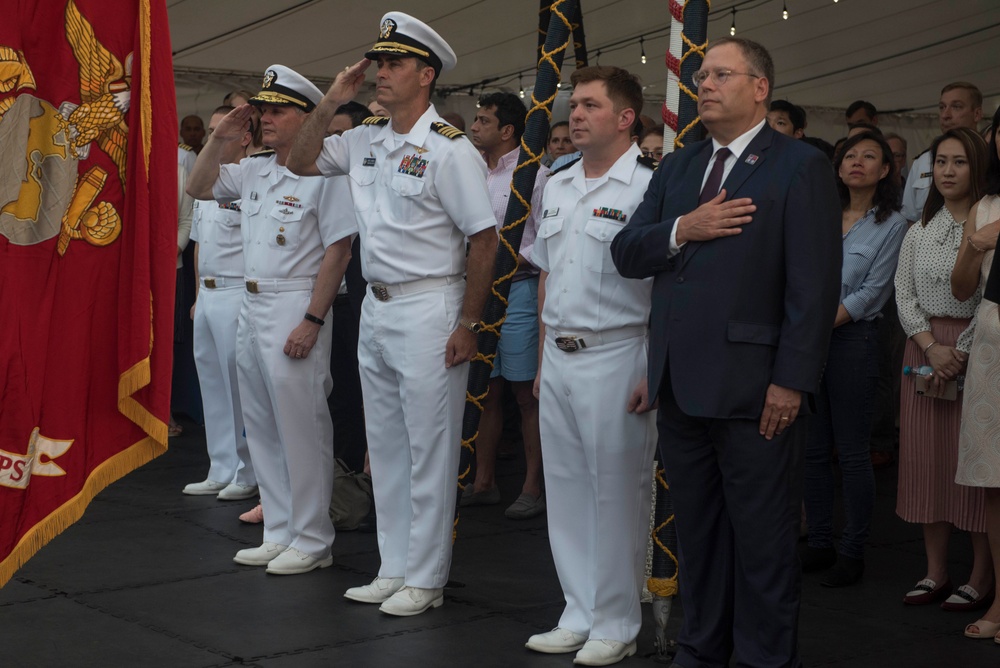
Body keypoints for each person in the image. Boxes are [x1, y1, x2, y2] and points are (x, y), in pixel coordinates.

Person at [610, 37, 841, 668]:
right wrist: (686, 228)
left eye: (720, 74)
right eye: (699, 75)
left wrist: (792, 381)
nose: (703, 84)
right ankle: (701, 650)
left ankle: (762, 658)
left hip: (756, 389)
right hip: (681, 385)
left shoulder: (799, 166)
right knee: (700, 537)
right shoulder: (681, 166)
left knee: (763, 545)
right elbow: (627, 251)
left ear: (760, 87)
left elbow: (813, 287)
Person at [286, 12, 497, 616]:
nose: (381, 73)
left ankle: (426, 578)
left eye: (394, 64)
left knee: (430, 448)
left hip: (432, 304)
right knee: (389, 445)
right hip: (377, 307)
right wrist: (330, 100)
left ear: (426, 75)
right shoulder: (365, 139)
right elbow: (299, 161)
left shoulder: (449, 150)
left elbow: (483, 238)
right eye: (378, 63)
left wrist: (468, 323)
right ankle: (394, 567)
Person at [186, 64, 355, 576]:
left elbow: (339, 250)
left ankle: (311, 537)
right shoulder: (256, 168)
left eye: (277, 110)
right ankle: (278, 529)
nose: (265, 119)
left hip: (293, 302)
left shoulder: (326, 173)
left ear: (308, 117)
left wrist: (312, 319)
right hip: (251, 303)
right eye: (261, 111)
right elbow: (197, 187)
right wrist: (220, 136)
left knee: (301, 427)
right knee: (261, 424)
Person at [524, 65, 656, 667]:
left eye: (589, 106)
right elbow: (547, 272)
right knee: (569, 490)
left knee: (617, 494)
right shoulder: (555, 182)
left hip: (620, 351)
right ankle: (578, 611)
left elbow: (666, 289)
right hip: (562, 353)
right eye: (573, 105)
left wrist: (654, 367)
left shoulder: (650, 188)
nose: (574, 115)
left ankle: (618, 620)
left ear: (625, 119)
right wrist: (543, 356)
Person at [801, 131, 907, 587]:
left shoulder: (894, 224)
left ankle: (853, 550)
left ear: (886, 171)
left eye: (870, 157)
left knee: (853, 453)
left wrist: (811, 326)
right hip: (809, 342)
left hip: (853, 342)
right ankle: (820, 542)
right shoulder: (817, 214)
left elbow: (870, 295)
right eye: (849, 156)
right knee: (813, 451)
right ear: (838, 167)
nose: (857, 163)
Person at [894, 127, 990, 609]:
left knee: (972, 466)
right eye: (941, 163)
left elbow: (990, 299)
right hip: (924, 350)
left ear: (978, 166)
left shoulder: (990, 223)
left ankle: (981, 573)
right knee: (926, 462)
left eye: (959, 162)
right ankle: (935, 572)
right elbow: (903, 294)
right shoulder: (919, 229)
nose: (948, 172)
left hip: (981, 352)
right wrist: (932, 347)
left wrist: (961, 351)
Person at [462, 92, 546, 520]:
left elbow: (543, 240)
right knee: (485, 389)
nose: (473, 127)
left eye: (482, 121)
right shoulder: (472, 170)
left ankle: (533, 485)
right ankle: (484, 481)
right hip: (477, 291)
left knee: (525, 393)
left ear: (507, 130)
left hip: (520, 290)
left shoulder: (535, 175)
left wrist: (511, 261)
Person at [183, 105, 260, 501]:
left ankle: (246, 471)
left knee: (239, 388)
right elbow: (198, 246)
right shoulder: (206, 183)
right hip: (210, 294)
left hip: (237, 292)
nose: (213, 138)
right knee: (211, 383)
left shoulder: (251, 180)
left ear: (245, 136)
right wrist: (197, 295)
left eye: (222, 131)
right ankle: (221, 466)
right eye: (211, 131)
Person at [965, 106, 1000, 639]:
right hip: (992, 343)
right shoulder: (985, 205)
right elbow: (959, 287)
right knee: (995, 484)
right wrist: (976, 243)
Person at [902, 82, 983, 222]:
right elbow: (910, 218)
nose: (946, 115)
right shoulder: (922, 162)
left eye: (956, 107)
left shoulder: (991, 157)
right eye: (942, 107)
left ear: (977, 114)